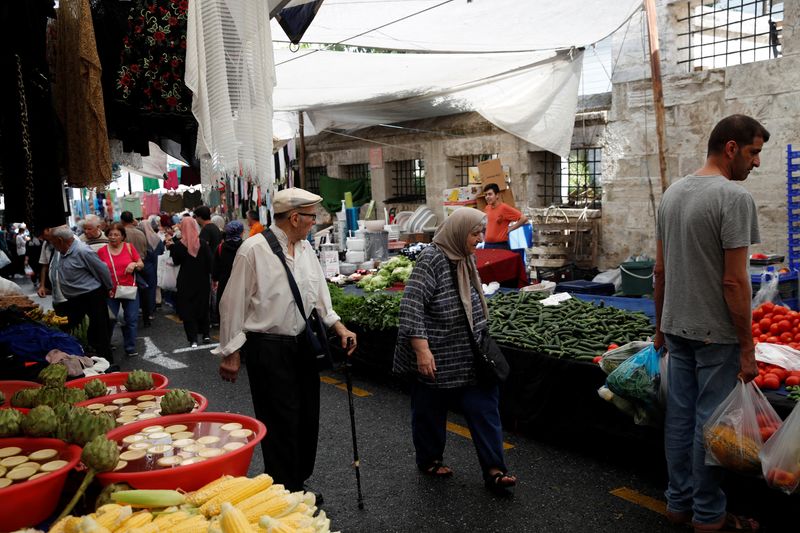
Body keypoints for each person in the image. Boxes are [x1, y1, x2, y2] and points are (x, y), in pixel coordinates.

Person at [654, 114, 769, 533]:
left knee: (680, 420)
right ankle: (708, 516)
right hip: (715, 335)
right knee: (711, 425)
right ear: (732, 148)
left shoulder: (672, 194)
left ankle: (677, 505)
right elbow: (735, 281)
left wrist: (659, 326)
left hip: (677, 328)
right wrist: (747, 346)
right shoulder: (734, 199)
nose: (756, 163)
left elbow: (660, 271)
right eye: (754, 152)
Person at [215, 187, 357, 494]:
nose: (314, 223)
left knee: (307, 416)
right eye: (311, 217)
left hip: (301, 343)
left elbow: (318, 294)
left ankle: (299, 480)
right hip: (268, 347)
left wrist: (338, 326)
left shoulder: (305, 248)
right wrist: (231, 351)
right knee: (280, 420)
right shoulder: (253, 249)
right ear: (294, 218)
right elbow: (232, 303)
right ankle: (284, 489)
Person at [393, 208, 516, 493]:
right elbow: (411, 305)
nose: (480, 238)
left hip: (469, 354)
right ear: (460, 232)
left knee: (484, 408)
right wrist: (422, 350)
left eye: (480, 232)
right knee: (429, 411)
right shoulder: (432, 259)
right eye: (475, 233)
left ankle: (495, 470)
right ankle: (430, 459)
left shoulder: (464, 257)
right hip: (437, 354)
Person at [46, 226, 113, 360]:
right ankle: (83, 356)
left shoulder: (82, 251)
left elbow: (102, 270)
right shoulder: (63, 252)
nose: (52, 245)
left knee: (99, 331)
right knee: (71, 328)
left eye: (53, 242)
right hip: (74, 299)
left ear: (60, 240)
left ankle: (107, 361)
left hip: (92, 295)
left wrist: (108, 288)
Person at [97, 223, 144, 357]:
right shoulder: (102, 251)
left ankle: (130, 347)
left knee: (131, 318)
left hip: (130, 289)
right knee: (110, 320)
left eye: (116, 234)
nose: (113, 237)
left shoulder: (129, 247)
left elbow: (141, 264)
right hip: (111, 291)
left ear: (123, 236)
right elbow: (97, 270)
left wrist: (133, 264)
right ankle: (107, 345)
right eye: (110, 234)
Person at [166, 216, 213, 347]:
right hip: (202, 280)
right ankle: (206, 335)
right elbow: (210, 263)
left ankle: (192, 339)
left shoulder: (179, 246)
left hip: (185, 281)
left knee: (187, 309)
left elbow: (175, 262)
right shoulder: (203, 243)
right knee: (203, 307)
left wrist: (171, 247)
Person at [481, 183, 528, 250]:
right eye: (485, 195)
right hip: (487, 245)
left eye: (490, 194)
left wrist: (510, 229)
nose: (487, 197)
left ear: (497, 195)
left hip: (500, 246)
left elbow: (524, 218)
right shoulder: (487, 208)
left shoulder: (504, 208)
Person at [212, 220, 244, 304]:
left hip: (224, 285)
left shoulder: (220, 248)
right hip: (242, 284)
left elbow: (215, 271)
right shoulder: (246, 246)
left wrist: (215, 280)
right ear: (241, 232)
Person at [140, 215, 165, 323]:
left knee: (141, 289)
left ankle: (143, 308)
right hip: (154, 266)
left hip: (141, 266)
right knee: (151, 289)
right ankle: (150, 310)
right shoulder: (156, 238)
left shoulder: (140, 237)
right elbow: (161, 251)